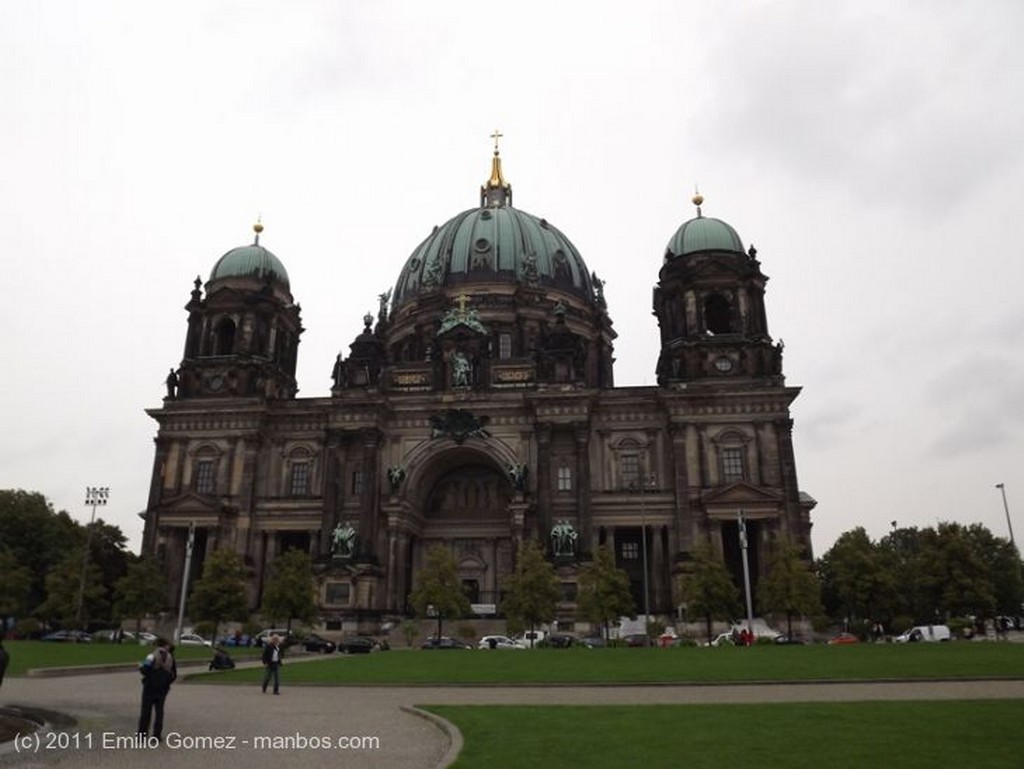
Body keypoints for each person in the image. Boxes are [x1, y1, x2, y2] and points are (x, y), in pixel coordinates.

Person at [137, 638, 176, 741]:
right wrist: (166, 682)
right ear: (165, 645)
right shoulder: (170, 657)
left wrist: (140, 667)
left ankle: (142, 735)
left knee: (146, 711)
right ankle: (157, 735)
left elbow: (145, 670)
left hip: (150, 686)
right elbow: (173, 674)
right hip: (163, 687)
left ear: (157, 645)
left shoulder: (151, 656)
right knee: (159, 711)